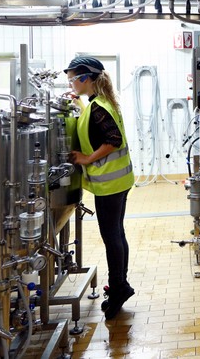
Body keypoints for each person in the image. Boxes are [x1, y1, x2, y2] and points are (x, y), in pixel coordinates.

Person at [64, 56, 135, 320]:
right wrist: (77, 102)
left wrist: (85, 158)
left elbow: (112, 140)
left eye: (72, 79)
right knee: (117, 233)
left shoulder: (99, 107)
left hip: (109, 184)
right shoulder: (97, 103)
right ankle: (121, 284)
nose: (70, 82)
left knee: (112, 237)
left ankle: (118, 289)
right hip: (118, 181)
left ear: (86, 79)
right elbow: (93, 122)